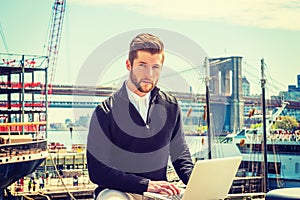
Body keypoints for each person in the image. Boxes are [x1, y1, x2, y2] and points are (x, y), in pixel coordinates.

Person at [87, 33, 194, 200]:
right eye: (142, 65)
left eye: (155, 67)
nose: (149, 74)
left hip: (160, 193)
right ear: (129, 65)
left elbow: (180, 155)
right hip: (120, 192)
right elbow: (97, 171)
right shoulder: (105, 111)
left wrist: (197, 184)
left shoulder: (171, 106)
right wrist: (146, 185)